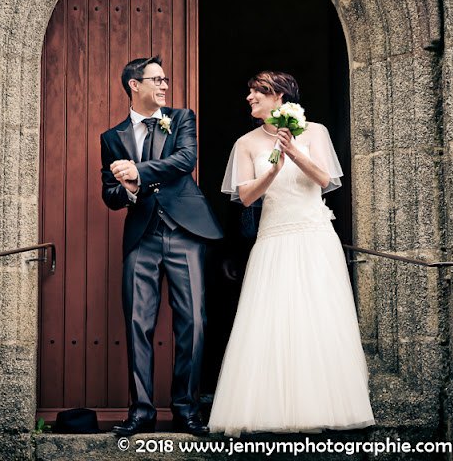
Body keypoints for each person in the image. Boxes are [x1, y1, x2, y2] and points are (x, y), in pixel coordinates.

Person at [208, 71, 375, 436]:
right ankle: (270, 410)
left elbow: (326, 180)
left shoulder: (315, 132)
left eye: (258, 91)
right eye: (250, 91)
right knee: (271, 319)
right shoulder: (246, 143)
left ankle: (320, 407)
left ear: (280, 96)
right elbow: (246, 196)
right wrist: (273, 170)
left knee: (318, 318)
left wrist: (294, 153)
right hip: (274, 236)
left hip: (314, 235)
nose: (250, 97)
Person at [100, 55, 223, 436]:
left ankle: (187, 409)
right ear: (134, 85)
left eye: (166, 79)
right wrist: (128, 190)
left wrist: (138, 171)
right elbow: (109, 193)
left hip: (185, 231)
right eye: (157, 79)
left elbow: (186, 160)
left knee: (195, 323)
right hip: (142, 236)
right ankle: (142, 411)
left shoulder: (182, 118)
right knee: (137, 323)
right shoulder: (111, 137)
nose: (165, 85)